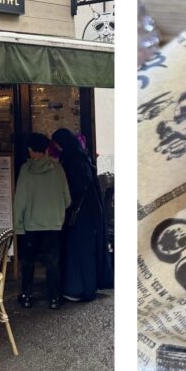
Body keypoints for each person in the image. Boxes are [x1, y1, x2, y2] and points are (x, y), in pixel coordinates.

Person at [53, 128, 112, 302]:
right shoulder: (82, 156)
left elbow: (73, 189)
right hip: (90, 210)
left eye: (56, 142)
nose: (55, 146)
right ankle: (88, 287)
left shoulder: (70, 160)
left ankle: (78, 288)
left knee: (77, 249)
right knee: (87, 248)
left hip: (79, 212)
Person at [13, 133, 70, 310]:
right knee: (52, 261)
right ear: (46, 149)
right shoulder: (58, 169)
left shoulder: (25, 170)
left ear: (30, 150)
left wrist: (17, 225)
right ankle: (54, 298)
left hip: (31, 224)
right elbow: (67, 199)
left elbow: (20, 200)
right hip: (53, 223)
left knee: (28, 261)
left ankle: (27, 296)